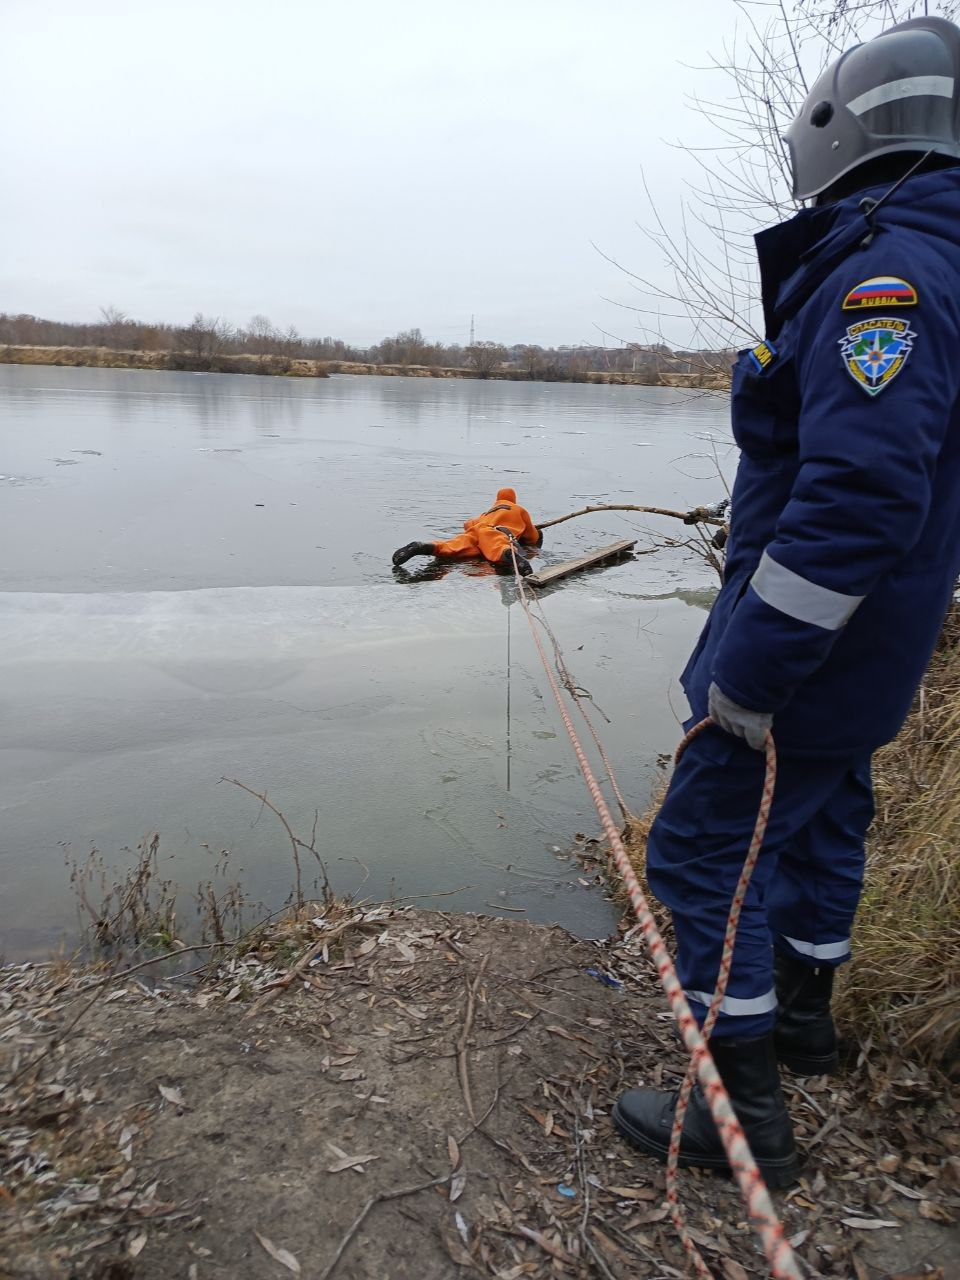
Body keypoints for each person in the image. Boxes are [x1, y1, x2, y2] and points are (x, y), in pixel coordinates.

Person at [612, 16, 960, 1190]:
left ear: (841, 129)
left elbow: (859, 500)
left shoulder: (883, 279)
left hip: (810, 657)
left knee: (707, 844)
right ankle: (802, 1022)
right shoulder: (931, 259)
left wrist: (749, 678)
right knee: (824, 814)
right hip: (871, 655)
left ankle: (738, 1109)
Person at [392, 486, 543, 576]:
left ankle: (425, 547)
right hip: (494, 532)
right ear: (513, 499)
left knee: (451, 547)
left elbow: (468, 523)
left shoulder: (488, 512)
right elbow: (532, 536)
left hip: (474, 531)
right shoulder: (519, 509)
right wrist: (535, 536)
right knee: (498, 546)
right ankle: (510, 555)